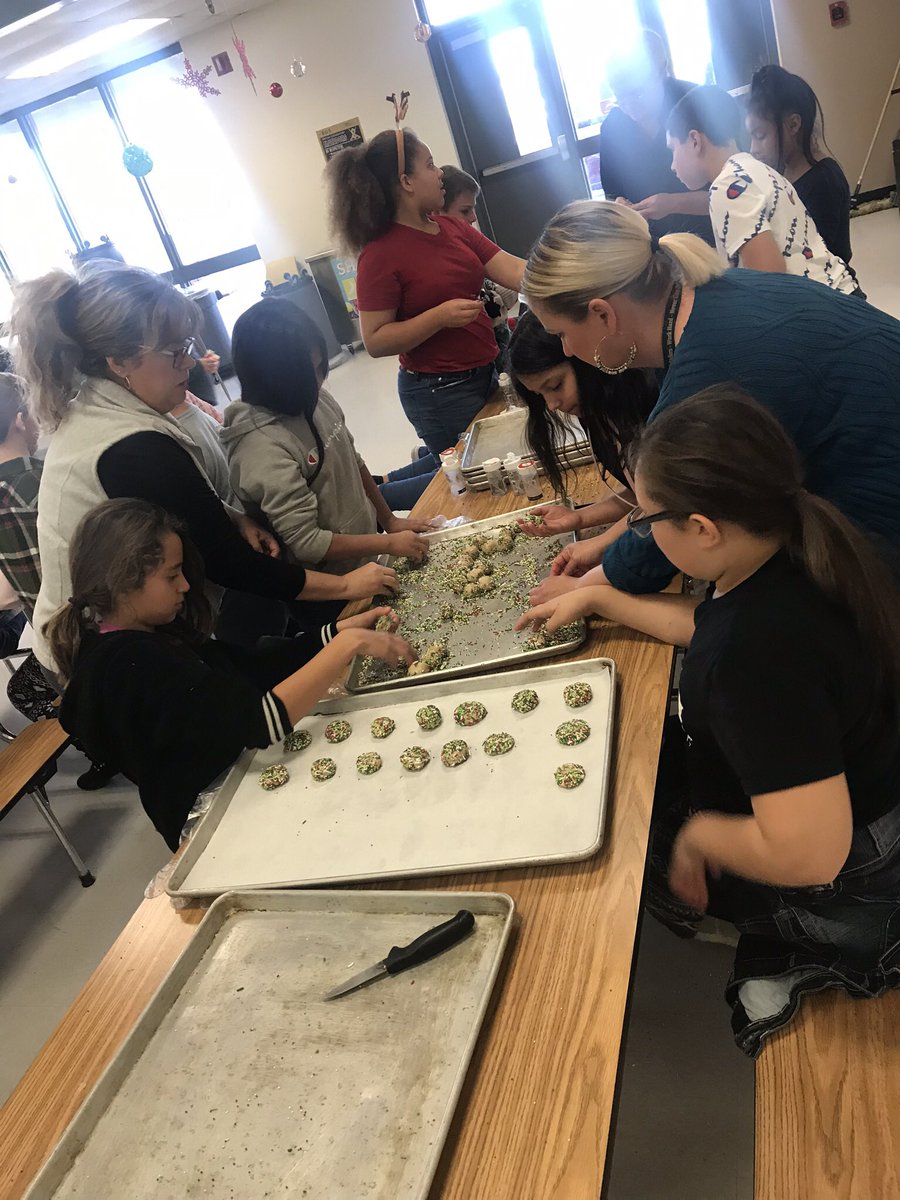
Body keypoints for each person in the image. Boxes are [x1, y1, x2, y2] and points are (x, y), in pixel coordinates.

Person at [517, 387, 900, 1056]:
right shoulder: (795, 544)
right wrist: (602, 597)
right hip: (861, 790)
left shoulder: (755, 658)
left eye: (645, 520)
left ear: (701, 528)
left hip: (854, 875)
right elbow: (710, 625)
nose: (641, 532)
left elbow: (812, 851)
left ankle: (787, 937)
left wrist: (700, 837)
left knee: (627, 828)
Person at [9, 261, 397, 676]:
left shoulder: (111, 405)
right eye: (175, 353)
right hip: (100, 654)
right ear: (119, 359)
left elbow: (178, 502)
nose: (190, 365)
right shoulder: (129, 445)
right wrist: (345, 586)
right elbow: (227, 562)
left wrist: (230, 517)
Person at [520, 199, 900, 599]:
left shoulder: (707, 374)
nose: (564, 351)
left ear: (602, 315)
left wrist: (581, 586)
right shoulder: (713, 294)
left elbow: (671, 528)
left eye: (560, 333)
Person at [51, 498, 416, 850]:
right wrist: (345, 647)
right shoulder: (132, 664)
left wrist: (335, 632)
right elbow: (258, 722)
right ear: (125, 581)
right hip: (212, 824)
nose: (185, 586)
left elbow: (251, 667)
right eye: (172, 575)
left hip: (241, 774)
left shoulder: (152, 632)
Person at [326, 128, 525, 455]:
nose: (440, 175)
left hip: (485, 369)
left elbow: (513, 270)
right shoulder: (379, 255)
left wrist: (567, 273)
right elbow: (375, 340)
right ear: (406, 182)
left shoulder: (451, 227)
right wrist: (439, 317)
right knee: (470, 474)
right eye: (430, 165)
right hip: (440, 391)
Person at [222, 300, 431, 581]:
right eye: (309, 374)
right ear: (273, 378)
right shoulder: (259, 449)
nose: (319, 381)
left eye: (321, 368)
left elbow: (353, 461)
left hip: (367, 555)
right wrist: (387, 543)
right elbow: (307, 542)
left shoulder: (312, 398)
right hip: (330, 585)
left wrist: (389, 521)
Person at [666, 85, 858, 294]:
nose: (672, 165)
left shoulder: (727, 187)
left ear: (695, 141)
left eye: (673, 149)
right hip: (842, 296)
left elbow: (770, 285)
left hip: (828, 312)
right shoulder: (755, 169)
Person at [506, 311, 657, 570]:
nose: (552, 405)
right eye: (540, 395)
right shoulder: (598, 412)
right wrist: (577, 518)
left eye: (555, 386)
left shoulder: (646, 405)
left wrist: (601, 544)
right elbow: (640, 494)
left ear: (583, 359)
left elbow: (660, 503)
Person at [598, 29, 714, 244]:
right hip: (650, 242)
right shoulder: (613, 126)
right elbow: (612, 194)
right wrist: (620, 206)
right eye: (621, 98)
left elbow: (731, 193)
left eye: (638, 93)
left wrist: (674, 203)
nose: (630, 106)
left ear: (662, 73)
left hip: (711, 237)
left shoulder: (698, 105)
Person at [747, 64, 853, 266]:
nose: (753, 148)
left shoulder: (823, 181)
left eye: (760, 135)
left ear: (794, 124)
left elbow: (817, 264)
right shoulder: (782, 172)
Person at [441, 164, 518, 365]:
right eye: (465, 210)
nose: (474, 217)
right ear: (437, 212)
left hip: (496, 337)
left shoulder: (469, 240)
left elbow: (511, 271)